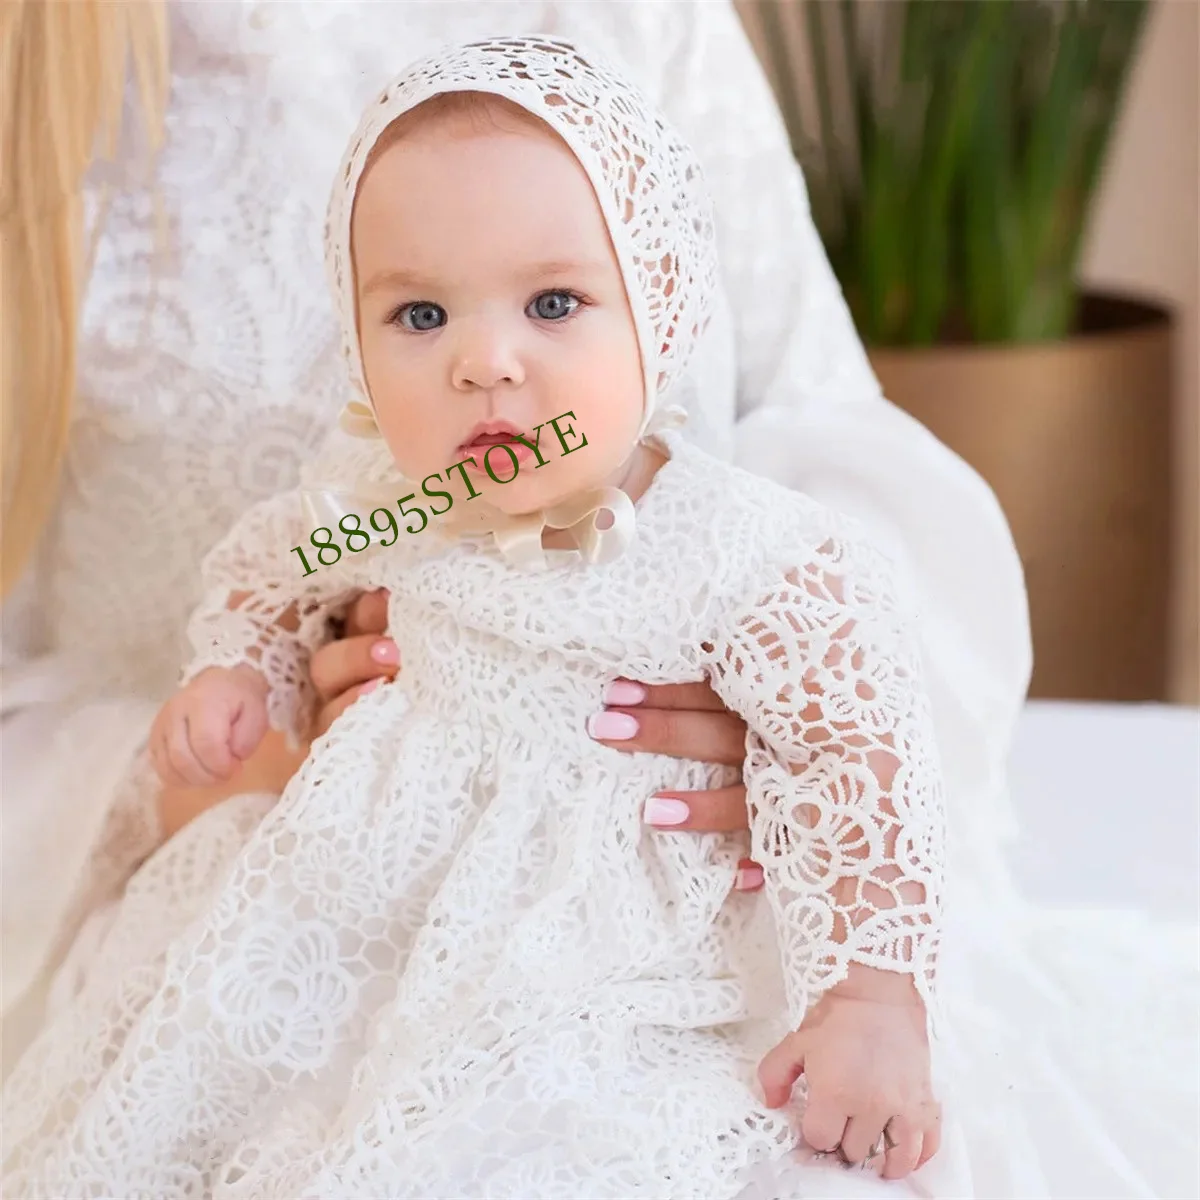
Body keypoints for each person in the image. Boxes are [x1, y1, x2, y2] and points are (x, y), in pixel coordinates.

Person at [0, 0, 1028, 1071]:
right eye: (419, 317)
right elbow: (284, 561)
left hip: (658, 939)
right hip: (305, 913)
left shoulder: (734, 536)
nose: (485, 363)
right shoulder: (396, 510)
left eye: (554, 303)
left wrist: (782, 732)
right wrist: (239, 706)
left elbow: (837, 538)